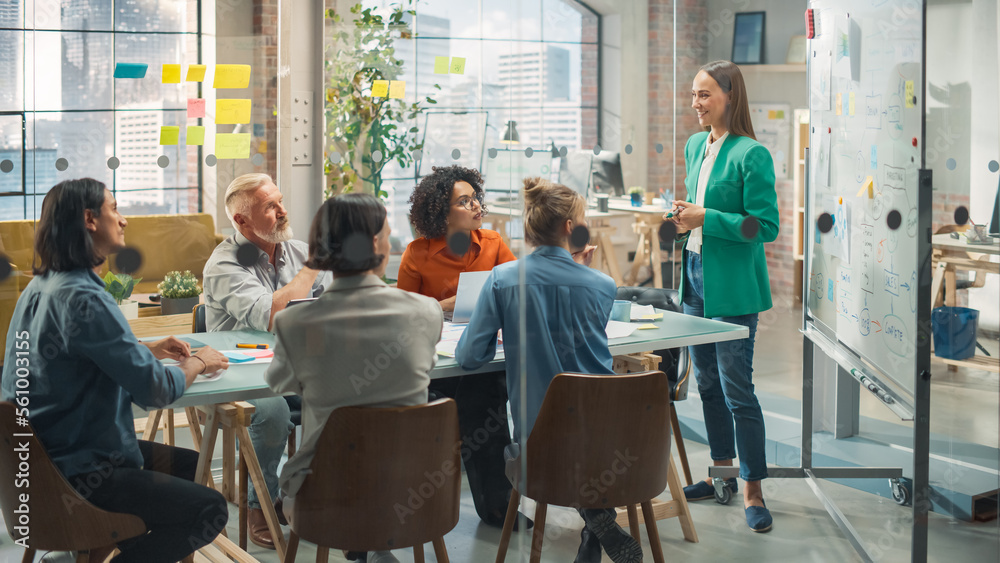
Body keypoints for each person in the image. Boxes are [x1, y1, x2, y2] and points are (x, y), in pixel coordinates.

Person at [0, 178, 230, 563]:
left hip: (38, 467)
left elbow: (62, 358)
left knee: (189, 465)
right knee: (210, 509)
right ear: (90, 219)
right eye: (115, 209)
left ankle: (109, 543)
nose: (123, 220)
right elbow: (156, 390)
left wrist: (144, 348)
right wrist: (198, 361)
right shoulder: (84, 296)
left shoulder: (41, 287)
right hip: (78, 473)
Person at [455, 178, 642, 563]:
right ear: (571, 229)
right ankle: (596, 521)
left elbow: (469, 358)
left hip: (541, 454)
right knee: (582, 445)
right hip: (609, 445)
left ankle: (595, 520)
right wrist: (577, 273)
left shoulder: (503, 280)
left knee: (531, 445)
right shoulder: (603, 285)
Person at [266, 193, 442, 563]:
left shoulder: (295, 323)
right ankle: (373, 549)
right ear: (376, 243)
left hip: (327, 495)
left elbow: (281, 385)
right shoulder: (426, 312)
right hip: (417, 492)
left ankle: (365, 546)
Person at [663, 60, 779, 533]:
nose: (696, 103)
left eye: (704, 95)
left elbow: (763, 226)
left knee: (737, 390)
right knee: (707, 384)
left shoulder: (753, 154)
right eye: (693, 95)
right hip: (694, 276)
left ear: (730, 96)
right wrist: (683, 218)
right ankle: (722, 475)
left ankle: (753, 488)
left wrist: (706, 217)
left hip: (732, 288)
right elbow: (699, 214)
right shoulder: (695, 145)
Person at [202, 173, 332, 548]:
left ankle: (320, 493)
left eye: (280, 201)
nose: (283, 211)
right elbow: (272, 315)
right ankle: (259, 504)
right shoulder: (225, 263)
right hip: (238, 374)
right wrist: (315, 266)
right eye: (270, 207)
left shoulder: (297, 251)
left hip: (296, 364)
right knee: (273, 413)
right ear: (241, 221)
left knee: (348, 395)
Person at [396, 165, 524, 528]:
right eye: (464, 201)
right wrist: (445, 306)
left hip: (484, 350)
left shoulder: (495, 243)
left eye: (475, 198)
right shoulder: (417, 253)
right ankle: (479, 505)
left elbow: (517, 290)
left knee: (485, 393)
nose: (475, 206)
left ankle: (498, 506)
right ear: (442, 211)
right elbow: (403, 314)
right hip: (437, 359)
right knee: (478, 398)